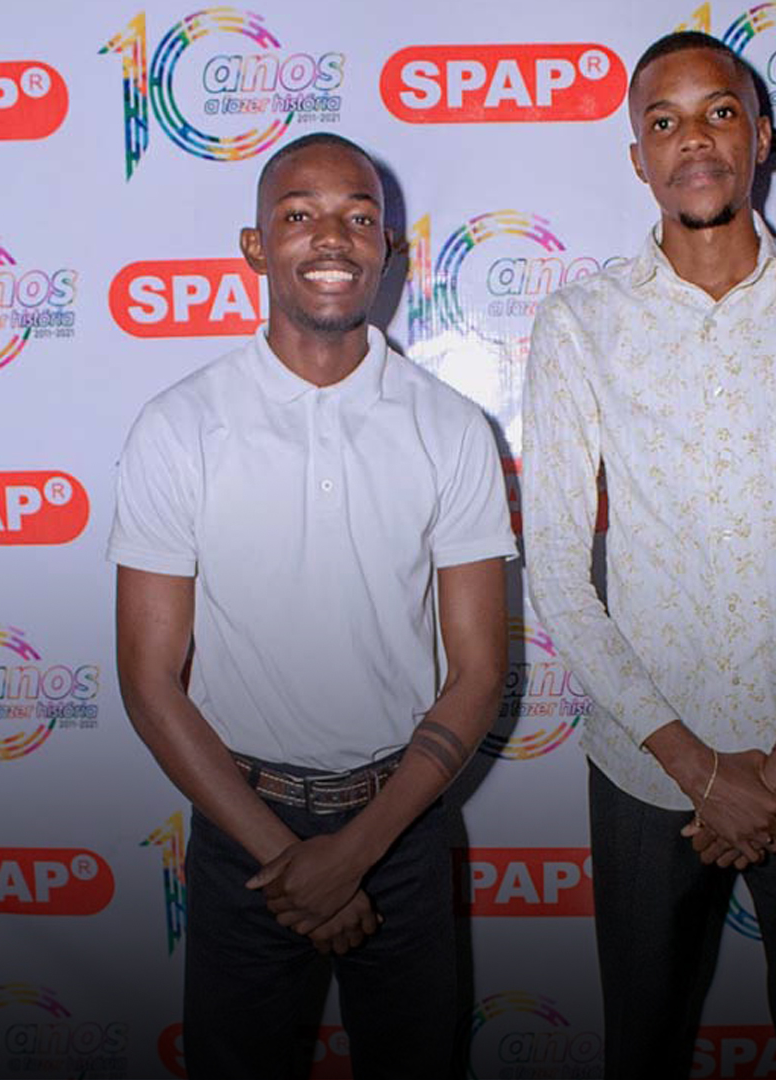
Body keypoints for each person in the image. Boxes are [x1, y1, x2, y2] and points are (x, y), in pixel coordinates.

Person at [521, 31, 776, 1080]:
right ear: (638, 157)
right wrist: (699, 771)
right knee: (640, 1051)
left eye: (719, 112)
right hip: (648, 770)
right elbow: (556, 570)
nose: (692, 138)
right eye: (664, 121)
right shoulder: (579, 323)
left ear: (763, 138)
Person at [108, 132, 516, 1080]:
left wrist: (357, 852)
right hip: (240, 831)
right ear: (255, 247)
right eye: (299, 215)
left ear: (389, 249)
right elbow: (148, 679)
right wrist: (293, 861)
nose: (332, 237)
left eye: (359, 217)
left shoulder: (452, 428)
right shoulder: (179, 427)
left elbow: (479, 672)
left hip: (403, 829)